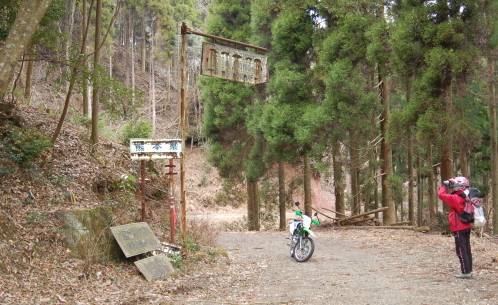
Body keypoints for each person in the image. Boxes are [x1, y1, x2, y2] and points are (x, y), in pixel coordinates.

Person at [438, 176, 473, 279]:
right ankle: (468, 270)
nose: (452, 187)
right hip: (466, 225)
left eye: (454, 185)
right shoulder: (466, 196)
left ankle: (465, 272)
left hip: (459, 227)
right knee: (466, 248)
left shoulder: (455, 198)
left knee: (461, 250)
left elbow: (441, 195)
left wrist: (443, 186)